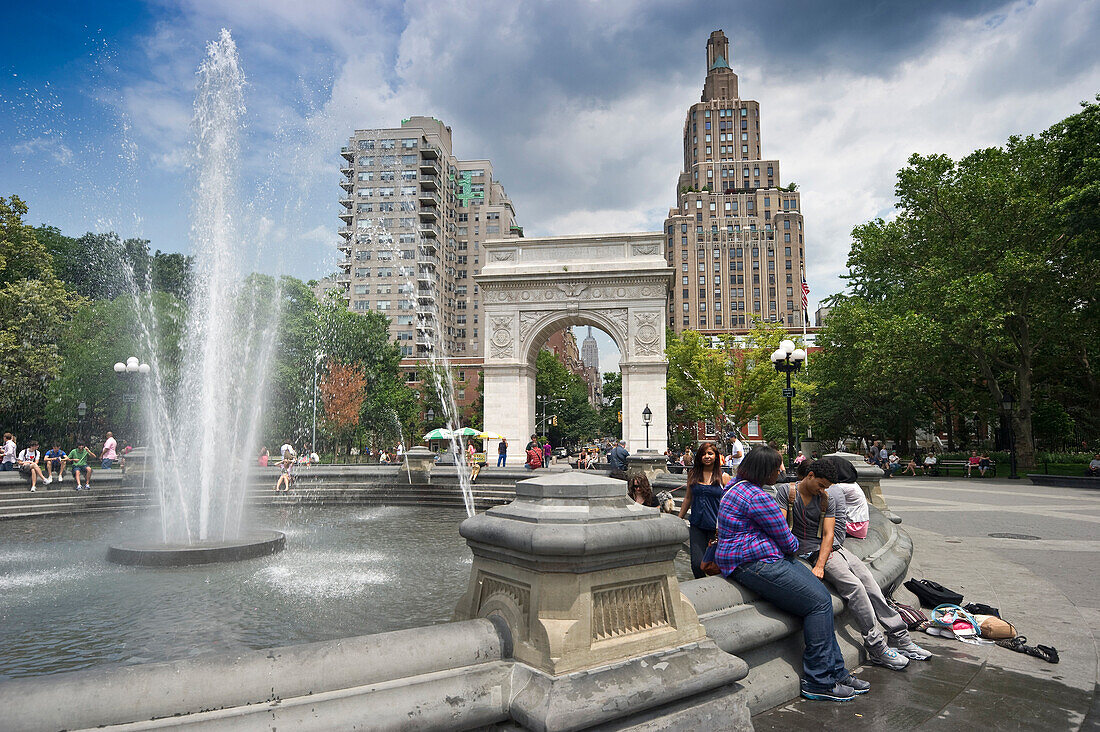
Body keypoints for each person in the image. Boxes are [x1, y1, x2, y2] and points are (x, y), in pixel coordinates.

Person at [714, 446, 865, 702]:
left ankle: (836, 671)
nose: (781, 471)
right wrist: (791, 548)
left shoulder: (735, 487)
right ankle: (818, 680)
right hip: (755, 562)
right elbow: (788, 540)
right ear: (766, 471)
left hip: (748, 558)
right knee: (819, 603)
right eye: (778, 467)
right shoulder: (759, 497)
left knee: (822, 599)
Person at [783, 459, 930, 668]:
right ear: (810, 475)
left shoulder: (827, 496)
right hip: (809, 552)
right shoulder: (787, 492)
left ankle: (898, 635)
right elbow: (779, 527)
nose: (824, 490)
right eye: (821, 485)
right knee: (855, 588)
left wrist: (822, 562)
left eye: (827, 487)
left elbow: (830, 534)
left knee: (870, 582)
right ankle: (876, 645)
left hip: (830, 549)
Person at [679, 441, 733, 579]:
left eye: (710, 453)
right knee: (696, 564)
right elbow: (687, 498)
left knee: (717, 564)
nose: (707, 456)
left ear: (716, 456)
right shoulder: (693, 474)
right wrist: (679, 518)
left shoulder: (724, 477)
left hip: (716, 527)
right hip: (697, 525)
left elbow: (731, 501)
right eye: (703, 454)